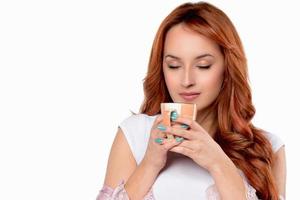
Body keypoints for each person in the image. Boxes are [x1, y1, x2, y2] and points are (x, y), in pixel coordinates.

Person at [97, 2, 286, 200]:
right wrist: (150, 163)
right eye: (174, 65)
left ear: (227, 68)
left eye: (203, 66)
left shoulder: (268, 148)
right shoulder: (135, 134)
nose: (186, 81)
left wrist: (218, 163)